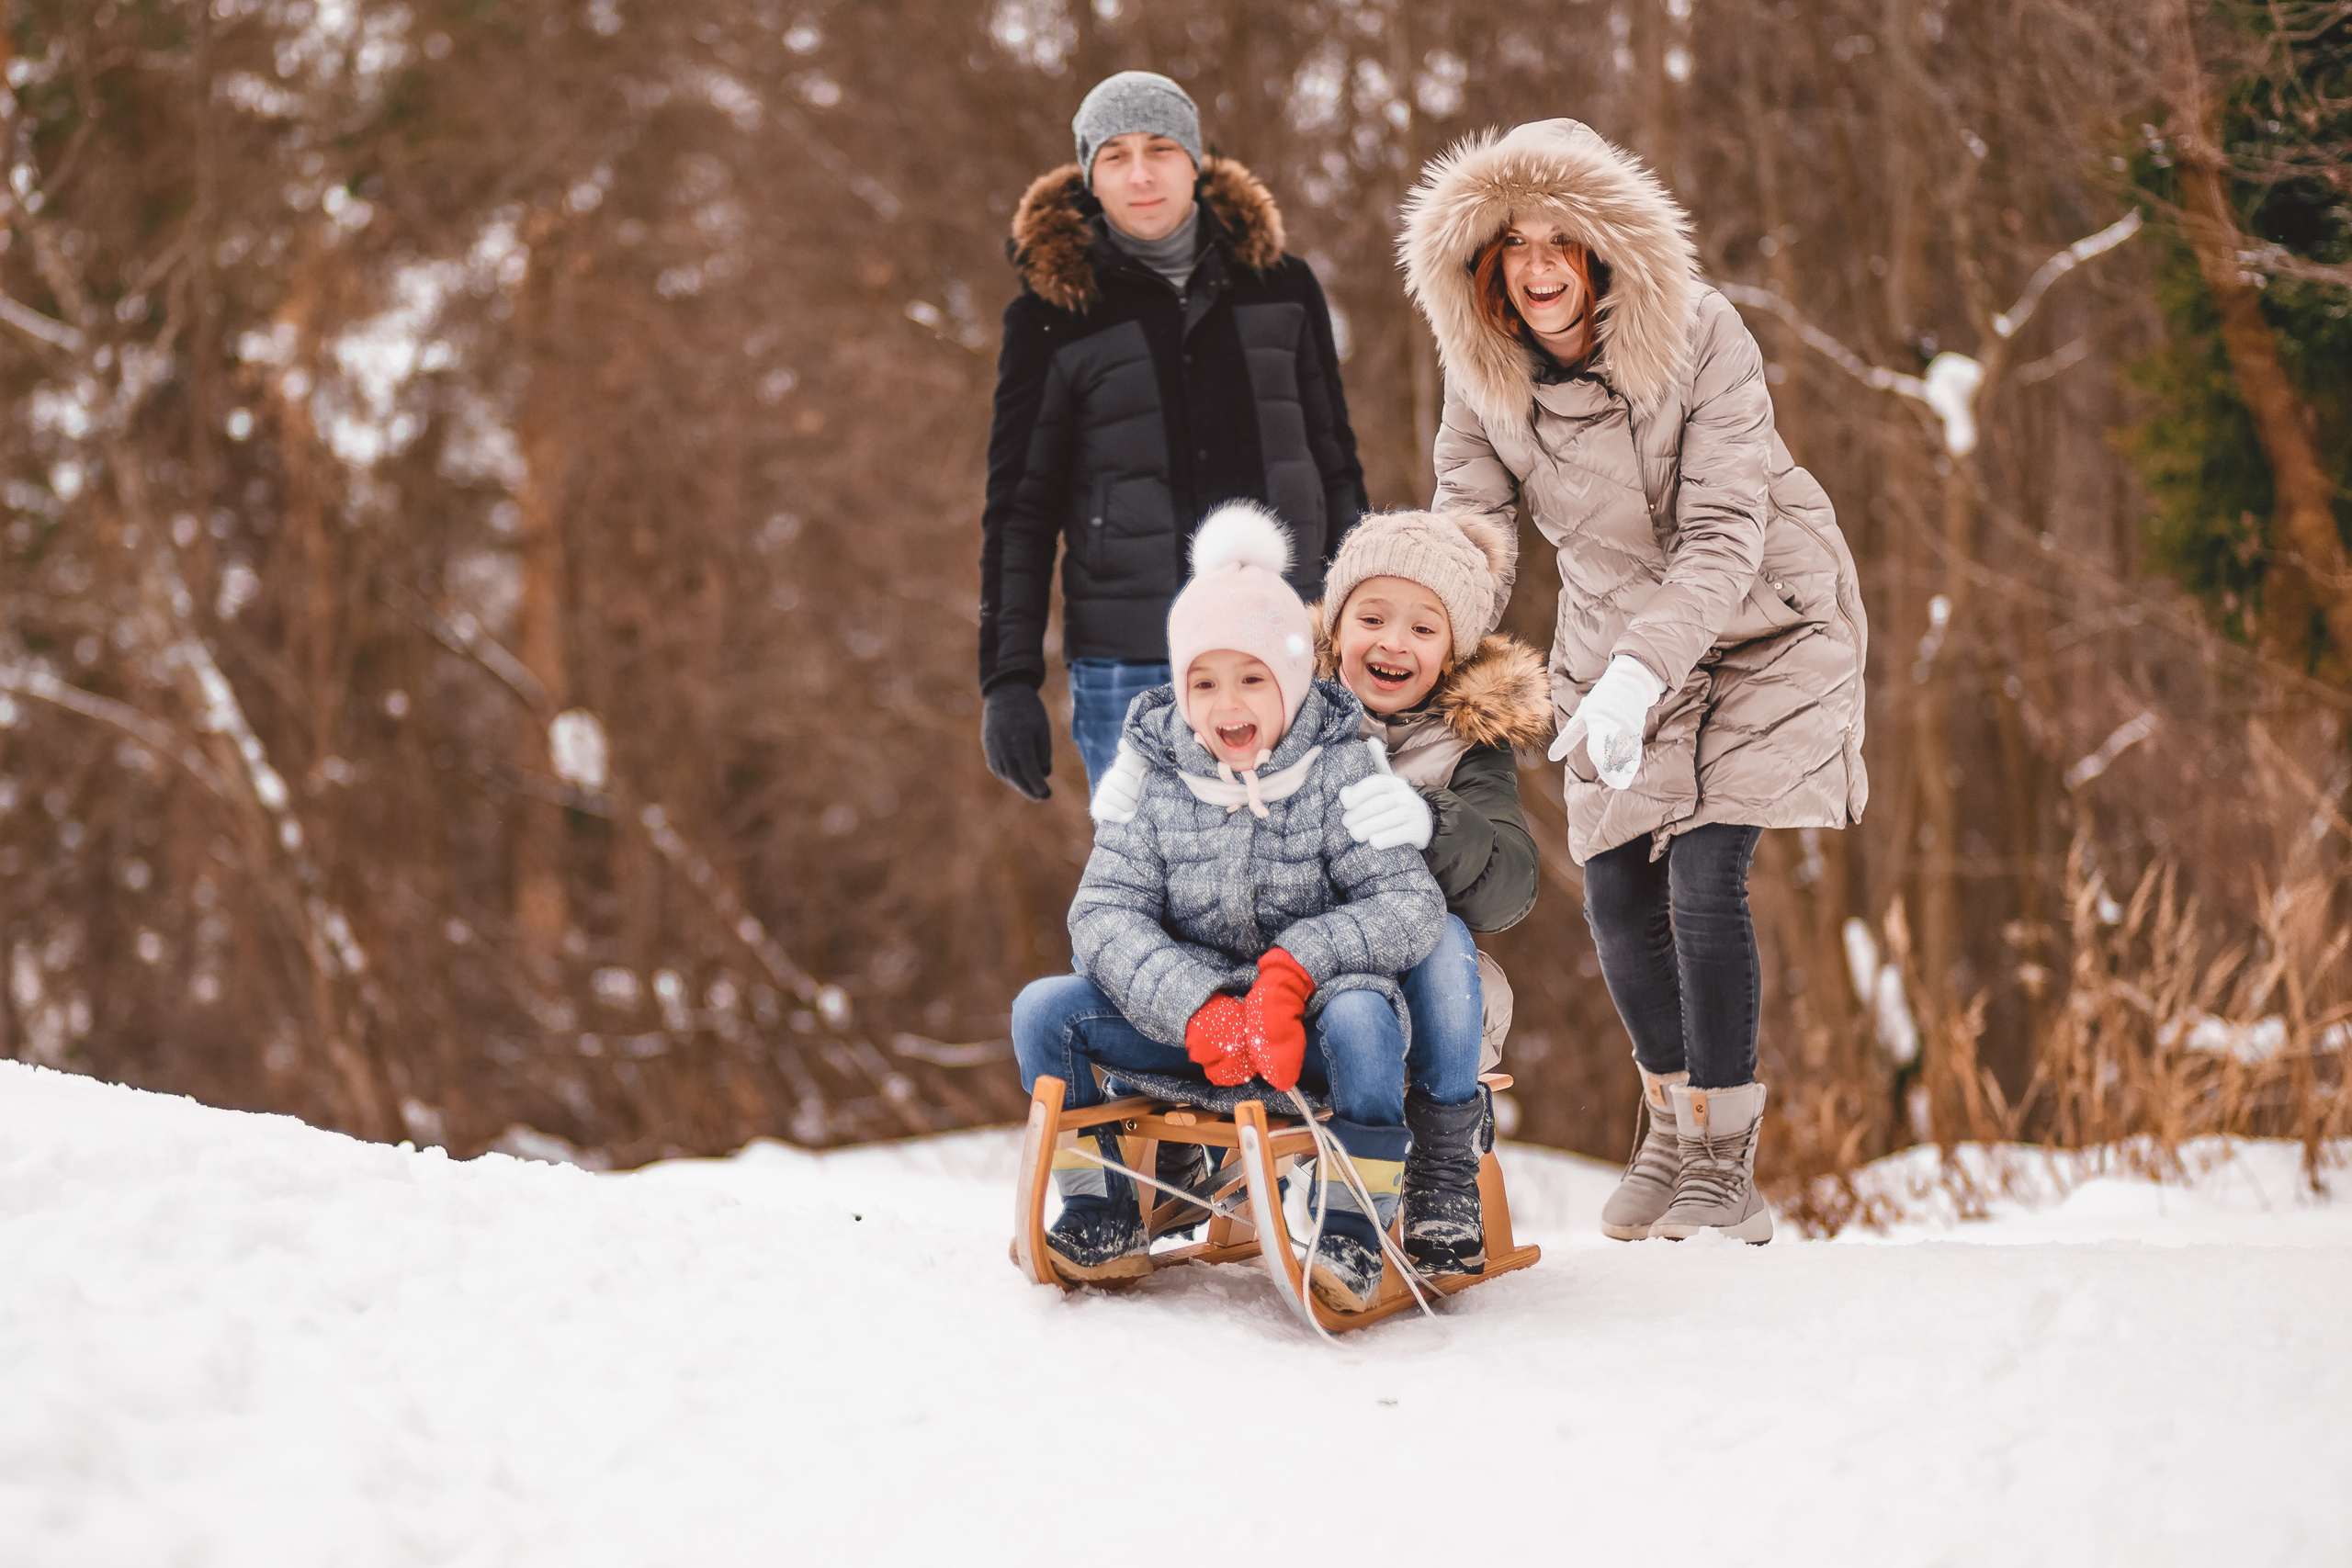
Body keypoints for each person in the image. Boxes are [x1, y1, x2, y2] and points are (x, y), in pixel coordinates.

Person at [1398, 119, 1870, 1246]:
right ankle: (1669, 1116)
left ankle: (1724, 1160)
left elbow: (1720, 536)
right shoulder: (1481, 371)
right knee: (1612, 889)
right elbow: (1476, 532)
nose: (1541, 264)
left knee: (1705, 871)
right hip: (1610, 630)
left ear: (1606, 248)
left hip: (1763, 619)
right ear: (1484, 261)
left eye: (1564, 237)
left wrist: (1631, 682)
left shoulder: (1705, 334)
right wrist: (1411, 640)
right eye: (1516, 243)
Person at [1010, 502, 1443, 1312]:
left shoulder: (1341, 768)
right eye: (1203, 682)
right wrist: (1197, 1007)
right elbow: (1103, 912)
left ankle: (1355, 1224)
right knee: (1045, 1011)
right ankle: (1105, 1211)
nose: (1227, 704)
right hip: (1196, 1033)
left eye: (1251, 678)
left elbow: (1408, 905)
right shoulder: (1158, 776)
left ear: (1289, 679)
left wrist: (1293, 972)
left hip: (1307, 1031)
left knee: (1365, 1019)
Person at [1092, 506, 1547, 1278]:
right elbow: (1198, 730)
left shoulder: (1471, 747)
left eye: (1423, 628)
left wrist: (1433, 823)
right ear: (1336, 627)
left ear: (1456, 647)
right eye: (1372, 617)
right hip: (1282, 974)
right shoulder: (1282, 699)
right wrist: (1139, 770)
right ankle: (1183, 1156)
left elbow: (1511, 883)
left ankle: (1443, 1156)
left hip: (1427, 995)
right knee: (1187, 918)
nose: (1393, 642)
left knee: (1443, 933)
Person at [978, 70, 1367, 801]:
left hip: (1289, 639)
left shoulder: (1282, 287)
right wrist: (1008, 681)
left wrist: (1354, 624)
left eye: (1159, 148)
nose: (1140, 173)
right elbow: (1019, 515)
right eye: (1115, 155)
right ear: (1091, 176)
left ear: (1195, 159)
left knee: (1309, 891)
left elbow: (1335, 464)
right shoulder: (1051, 315)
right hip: (1132, 665)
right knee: (1148, 903)